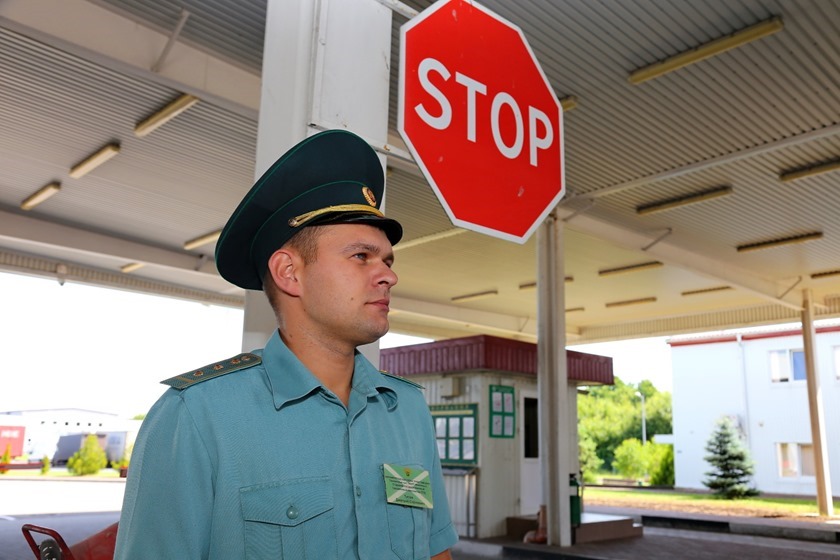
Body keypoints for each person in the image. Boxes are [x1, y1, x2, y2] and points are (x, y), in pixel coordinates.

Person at [114, 129, 458, 559]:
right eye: (361, 257)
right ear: (289, 273)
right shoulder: (198, 417)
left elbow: (433, 550)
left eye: (387, 260)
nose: (389, 275)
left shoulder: (406, 409)